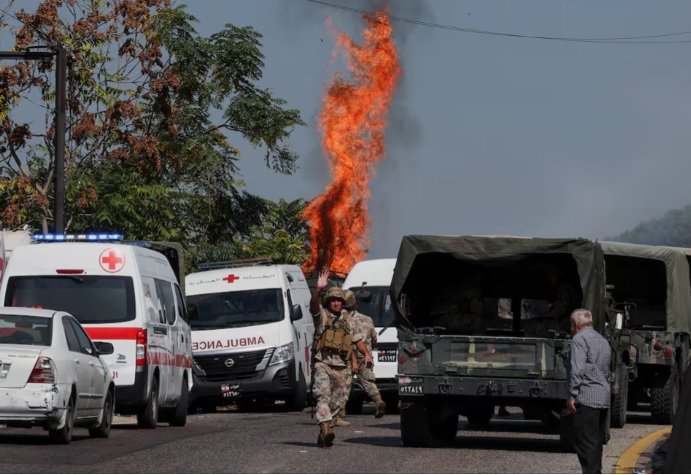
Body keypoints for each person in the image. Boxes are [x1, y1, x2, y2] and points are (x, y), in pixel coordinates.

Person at [309, 269, 371, 448]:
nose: (336, 303)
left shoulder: (348, 319)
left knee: (338, 401)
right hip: (324, 363)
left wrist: (365, 354)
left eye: (339, 300)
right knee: (322, 396)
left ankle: (325, 431)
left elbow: (357, 339)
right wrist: (318, 290)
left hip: (341, 366)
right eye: (333, 300)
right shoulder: (321, 316)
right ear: (328, 302)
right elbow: (313, 305)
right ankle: (326, 430)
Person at [566, 308, 611, 474]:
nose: (570, 329)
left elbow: (577, 369)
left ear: (576, 325)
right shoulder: (603, 340)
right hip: (603, 398)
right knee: (595, 442)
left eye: (571, 325)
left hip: (586, 398)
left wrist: (572, 396)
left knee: (584, 442)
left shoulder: (579, 339)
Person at [339, 289, 387, 421]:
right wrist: (368, 353)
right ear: (355, 304)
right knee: (368, 381)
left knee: (344, 382)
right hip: (365, 354)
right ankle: (378, 401)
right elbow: (374, 340)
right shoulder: (367, 319)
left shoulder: (340, 318)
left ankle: (341, 411)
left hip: (346, 354)